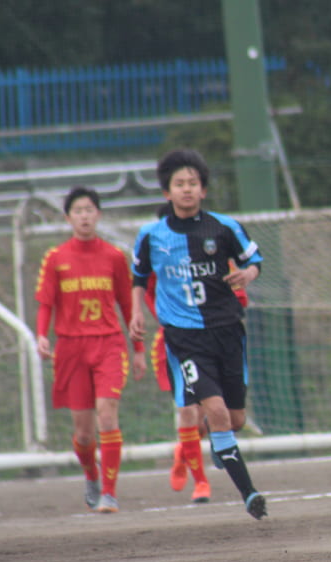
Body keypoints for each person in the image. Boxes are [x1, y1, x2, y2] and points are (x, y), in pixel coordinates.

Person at [128, 148, 268, 520]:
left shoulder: (224, 227)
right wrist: (137, 312)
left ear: (203, 190)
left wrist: (247, 274)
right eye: (179, 184)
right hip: (184, 337)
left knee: (234, 420)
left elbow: (256, 261)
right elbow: (139, 277)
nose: (187, 190)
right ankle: (250, 493)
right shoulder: (150, 235)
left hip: (226, 331)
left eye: (193, 183)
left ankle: (198, 444)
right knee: (218, 412)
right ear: (166, 192)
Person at [34, 186, 146, 513]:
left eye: (89, 209)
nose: (84, 216)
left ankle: (109, 494)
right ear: (68, 218)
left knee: (107, 415)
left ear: (98, 214)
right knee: (83, 433)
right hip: (71, 349)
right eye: (78, 211)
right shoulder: (55, 258)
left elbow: (128, 306)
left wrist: (138, 349)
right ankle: (91, 475)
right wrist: (42, 335)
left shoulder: (113, 257)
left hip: (108, 343)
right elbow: (45, 304)